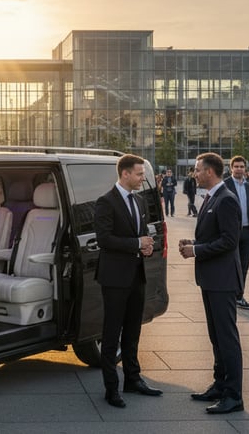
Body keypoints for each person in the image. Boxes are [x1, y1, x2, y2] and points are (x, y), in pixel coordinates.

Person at [178, 152, 244, 414]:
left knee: (227, 338)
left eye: (197, 169)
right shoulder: (212, 197)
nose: (194, 174)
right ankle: (219, 384)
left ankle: (234, 395)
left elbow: (230, 241)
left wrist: (196, 251)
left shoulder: (226, 199)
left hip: (223, 280)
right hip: (210, 278)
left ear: (210, 171)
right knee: (216, 337)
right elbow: (214, 236)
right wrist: (194, 244)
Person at [95, 154, 160, 408]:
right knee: (112, 334)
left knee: (134, 330)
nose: (143, 178)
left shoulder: (141, 200)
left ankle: (133, 379)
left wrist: (146, 245)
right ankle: (111, 389)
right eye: (139, 173)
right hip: (114, 277)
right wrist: (136, 243)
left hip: (136, 275)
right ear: (124, 174)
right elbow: (104, 239)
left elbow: (142, 234)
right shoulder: (105, 202)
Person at [224, 156, 249, 311]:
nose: (239, 169)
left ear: (245, 169)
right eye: (236, 166)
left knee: (244, 265)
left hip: (248, 231)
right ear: (231, 168)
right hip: (232, 232)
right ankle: (228, 296)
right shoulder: (225, 185)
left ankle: (239, 296)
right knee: (231, 265)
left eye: (241, 166)